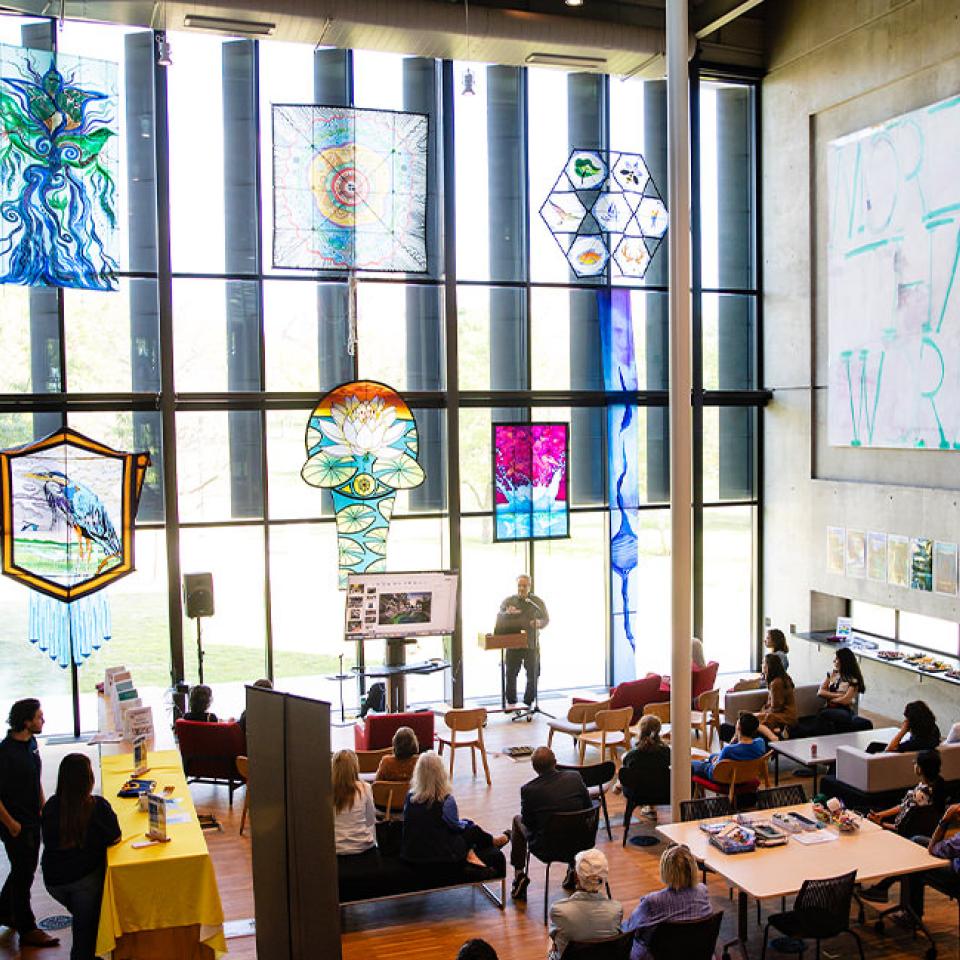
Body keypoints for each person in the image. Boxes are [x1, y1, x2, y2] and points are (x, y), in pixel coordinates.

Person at [41, 754, 121, 960]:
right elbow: (115, 836)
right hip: (83, 881)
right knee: (84, 934)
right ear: (89, 779)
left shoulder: (51, 807)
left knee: (83, 920)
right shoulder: (97, 807)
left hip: (53, 881)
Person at [0, 698, 59, 947]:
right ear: (26, 722)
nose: (43, 720)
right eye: (39, 717)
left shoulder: (31, 743)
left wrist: (44, 806)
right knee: (24, 874)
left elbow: (35, 779)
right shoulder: (5, 753)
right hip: (15, 823)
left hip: (32, 817)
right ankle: (28, 928)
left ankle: (4, 910)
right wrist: (11, 823)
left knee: (23, 867)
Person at [401, 751, 508, 879]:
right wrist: (467, 824)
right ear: (441, 774)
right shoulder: (446, 800)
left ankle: (474, 857)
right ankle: (491, 843)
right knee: (470, 829)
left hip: (411, 854)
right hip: (440, 856)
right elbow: (456, 827)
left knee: (464, 827)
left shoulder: (410, 797)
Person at [860, 750, 947, 903]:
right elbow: (904, 806)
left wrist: (879, 824)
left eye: (915, 763)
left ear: (920, 768)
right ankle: (883, 887)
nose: (914, 765)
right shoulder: (937, 785)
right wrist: (881, 815)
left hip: (909, 836)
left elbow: (900, 827)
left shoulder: (921, 795)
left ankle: (879, 885)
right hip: (926, 832)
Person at [509, 746, 591, 901]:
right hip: (581, 842)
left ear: (534, 768)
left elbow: (528, 823)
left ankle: (519, 874)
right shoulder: (575, 778)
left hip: (547, 848)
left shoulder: (529, 790)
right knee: (570, 823)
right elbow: (587, 807)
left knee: (516, 820)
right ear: (555, 762)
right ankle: (573, 869)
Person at [623, 844, 712, 960]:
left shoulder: (653, 901)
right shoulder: (702, 891)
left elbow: (630, 928)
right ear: (693, 868)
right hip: (696, 953)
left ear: (665, 870)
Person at [548, 849, 622, 960]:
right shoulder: (616, 910)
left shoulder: (558, 910)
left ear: (576, 877)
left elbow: (555, 943)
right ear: (603, 879)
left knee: (551, 941)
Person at [498, 574, 549, 709]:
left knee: (533, 673)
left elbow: (546, 619)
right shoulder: (508, 601)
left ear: (529, 586)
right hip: (513, 644)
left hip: (530, 644)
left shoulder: (536, 602)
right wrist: (507, 613)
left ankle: (528, 703)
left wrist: (539, 622)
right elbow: (500, 615)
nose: (521, 588)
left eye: (524, 586)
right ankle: (511, 703)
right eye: (519, 585)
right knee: (510, 673)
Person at [903, 800, 960, 919]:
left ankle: (912, 915)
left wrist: (945, 819)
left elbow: (932, 848)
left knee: (916, 859)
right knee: (917, 841)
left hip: (956, 878)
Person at [691, 712, 766, 782]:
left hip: (720, 777)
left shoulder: (728, 750)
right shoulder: (760, 743)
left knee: (691, 763)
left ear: (738, 728)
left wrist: (715, 762)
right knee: (712, 756)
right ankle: (705, 758)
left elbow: (716, 767)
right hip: (745, 775)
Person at [621, 715, 670, 817]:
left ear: (640, 731)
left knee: (628, 772)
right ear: (659, 731)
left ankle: (647, 807)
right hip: (664, 794)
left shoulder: (633, 755)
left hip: (638, 795)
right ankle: (650, 807)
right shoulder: (666, 752)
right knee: (653, 775)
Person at [331, 750, 377, 858]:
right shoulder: (365, 788)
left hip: (335, 850)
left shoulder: (327, 791)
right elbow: (370, 820)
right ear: (355, 767)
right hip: (363, 849)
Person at [816, 647, 865, 732]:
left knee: (826, 715)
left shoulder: (853, 680)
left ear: (844, 661)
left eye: (836, 659)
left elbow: (845, 700)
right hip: (829, 708)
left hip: (844, 709)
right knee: (823, 715)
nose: (834, 661)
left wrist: (831, 699)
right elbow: (820, 692)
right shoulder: (832, 674)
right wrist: (838, 695)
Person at [755, 654, 798, 741]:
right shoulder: (782, 678)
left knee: (753, 720)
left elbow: (776, 708)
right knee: (751, 717)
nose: (761, 665)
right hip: (785, 715)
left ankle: (779, 731)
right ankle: (779, 730)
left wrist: (761, 714)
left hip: (784, 716)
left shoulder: (776, 683)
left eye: (763, 663)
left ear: (769, 666)